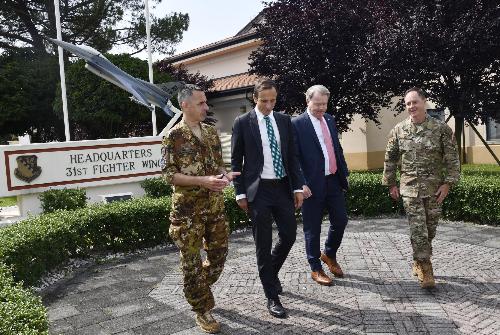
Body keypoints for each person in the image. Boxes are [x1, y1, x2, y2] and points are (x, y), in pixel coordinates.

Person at [161, 84, 239, 334]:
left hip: (214, 207)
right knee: (191, 263)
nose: (206, 107)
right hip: (187, 212)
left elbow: (216, 165)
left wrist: (225, 176)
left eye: (206, 102)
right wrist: (202, 181)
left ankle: (197, 289)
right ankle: (201, 309)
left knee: (218, 257)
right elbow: (169, 176)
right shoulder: (173, 136)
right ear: (185, 105)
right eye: (201, 103)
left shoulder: (211, 132)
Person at [231, 79, 304, 318]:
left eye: (273, 100)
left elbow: (292, 156)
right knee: (262, 244)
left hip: (283, 187)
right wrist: (240, 192)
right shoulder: (243, 122)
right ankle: (272, 296)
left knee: (290, 236)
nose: (269, 105)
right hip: (258, 190)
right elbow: (236, 161)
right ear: (255, 98)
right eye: (264, 100)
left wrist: (297, 188)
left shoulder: (284, 120)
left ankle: (269, 275)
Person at [382, 87, 460, 289]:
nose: (411, 106)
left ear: (424, 102)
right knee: (419, 231)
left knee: (430, 230)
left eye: (414, 102)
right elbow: (389, 159)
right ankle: (426, 269)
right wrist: (391, 183)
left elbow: (452, 158)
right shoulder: (399, 130)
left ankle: (418, 260)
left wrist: (448, 184)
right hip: (409, 189)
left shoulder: (441, 129)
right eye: (407, 104)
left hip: (434, 189)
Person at [292, 85, 349, 286]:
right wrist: (301, 184)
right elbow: (293, 157)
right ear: (308, 101)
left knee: (341, 220)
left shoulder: (330, 120)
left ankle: (329, 254)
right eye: (317, 104)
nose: (321, 108)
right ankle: (316, 267)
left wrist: (344, 172)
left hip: (333, 180)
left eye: (324, 104)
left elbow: (336, 148)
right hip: (311, 185)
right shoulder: (297, 123)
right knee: (312, 228)